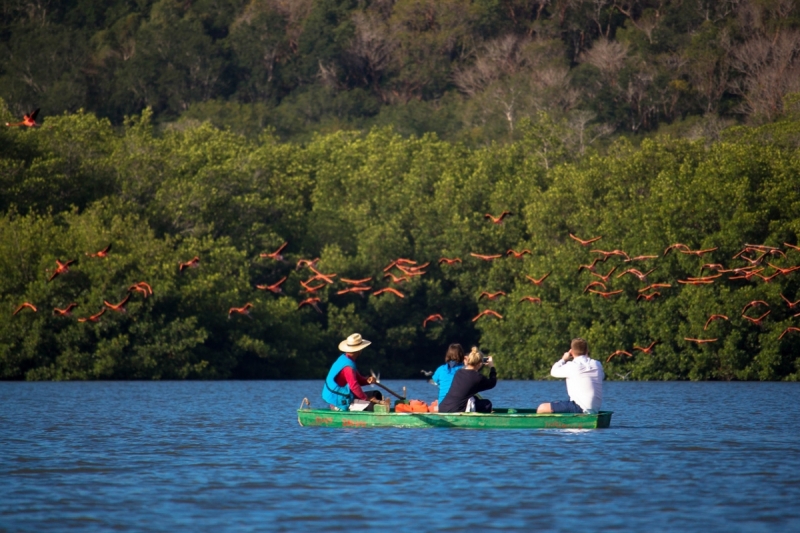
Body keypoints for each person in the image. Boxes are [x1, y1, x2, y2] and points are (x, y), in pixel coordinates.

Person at [537, 337, 604, 414]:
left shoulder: (572, 366)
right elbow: (601, 377)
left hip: (580, 408)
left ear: (571, 352)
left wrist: (563, 359)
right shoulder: (597, 364)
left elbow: (553, 372)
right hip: (595, 409)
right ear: (587, 351)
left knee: (542, 408)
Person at [322, 333, 383, 411]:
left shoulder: (347, 359)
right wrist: (366, 399)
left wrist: (367, 380)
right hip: (339, 400)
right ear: (359, 350)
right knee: (372, 405)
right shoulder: (348, 367)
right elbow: (354, 386)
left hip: (345, 395)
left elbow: (358, 380)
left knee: (376, 394)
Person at [439, 347, 496, 413]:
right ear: (480, 363)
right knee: (487, 404)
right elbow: (492, 383)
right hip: (456, 410)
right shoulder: (478, 377)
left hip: (442, 408)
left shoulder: (459, 372)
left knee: (474, 398)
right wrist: (492, 366)